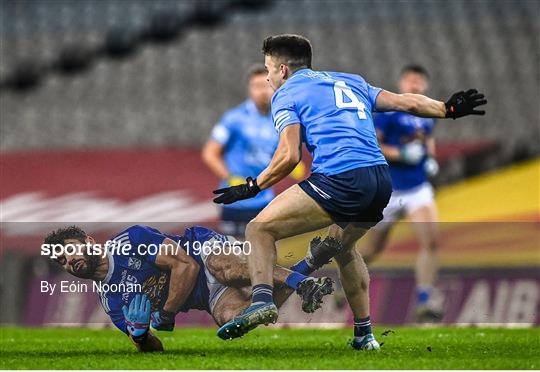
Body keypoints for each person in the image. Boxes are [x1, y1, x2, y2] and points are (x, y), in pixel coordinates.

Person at [212, 34, 486, 350]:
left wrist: (253, 186)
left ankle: (261, 301)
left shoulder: (286, 94)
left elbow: (289, 157)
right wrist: (447, 108)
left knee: (259, 229)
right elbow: (406, 101)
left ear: (283, 70)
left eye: (269, 69)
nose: (269, 77)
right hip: (381, 181)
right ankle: (364, 334)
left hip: (341, 179)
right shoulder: (349, 81)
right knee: (345, 250)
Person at [43, 224, 336, 352]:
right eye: (61, 260)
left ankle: (302, 283)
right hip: (206, 296)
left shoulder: (130, 240)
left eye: (70, 250)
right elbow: (153, 349)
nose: (69, 260)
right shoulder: (111, 300)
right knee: (237, 319)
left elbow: (186, 266)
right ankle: (307, 264)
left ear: (90, 243)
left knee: (230, 269)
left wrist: (167, 314)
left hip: (203, 252)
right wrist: (142, 336)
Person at [356, 65, 443, 322]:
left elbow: (427, 138)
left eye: (419, 81)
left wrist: (430, 157)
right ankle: (345, 281)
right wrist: (401, 154)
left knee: (431, 241)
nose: (414, 85)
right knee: (373, 249)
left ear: (424, 85)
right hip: (390, 189)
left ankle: (425, 299)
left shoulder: (427, 113)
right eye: (410, 80)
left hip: (417, 187)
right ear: (402, 83)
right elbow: (374, 143)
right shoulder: (390, 111)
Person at [203, 64, 298, 238]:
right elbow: (210, 153)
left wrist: (290, 163)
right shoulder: (234, 118)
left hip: (264, 199)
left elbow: (278, 150)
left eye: (266, 86)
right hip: (236, 202)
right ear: (250, 90)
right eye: (257, 86)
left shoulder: (280, 118)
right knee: (236, 256)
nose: (263, 91)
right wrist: (230, 177)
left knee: (265, 254)